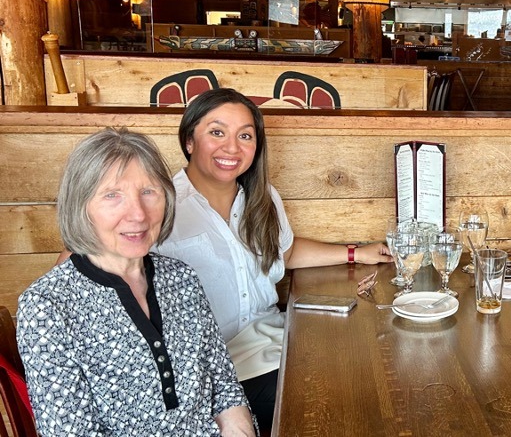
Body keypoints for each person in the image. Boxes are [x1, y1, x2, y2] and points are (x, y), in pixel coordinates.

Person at [155, 88, 391, 429]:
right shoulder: (160, 203)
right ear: (189, 141)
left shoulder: (261, 195)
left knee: (369, 361)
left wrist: (356, 252)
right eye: (217, 132)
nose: (232, 147)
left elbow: (285, 252)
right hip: (216, 369)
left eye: (245, 136)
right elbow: (88, 259)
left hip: (276, 340)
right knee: (333, 403)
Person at [18, 128, 255, 436]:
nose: (138, 214)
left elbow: (224, 389)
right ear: (81, 206)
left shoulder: (181, 278)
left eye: (149, 192)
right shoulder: (47, 306)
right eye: (112, 195)